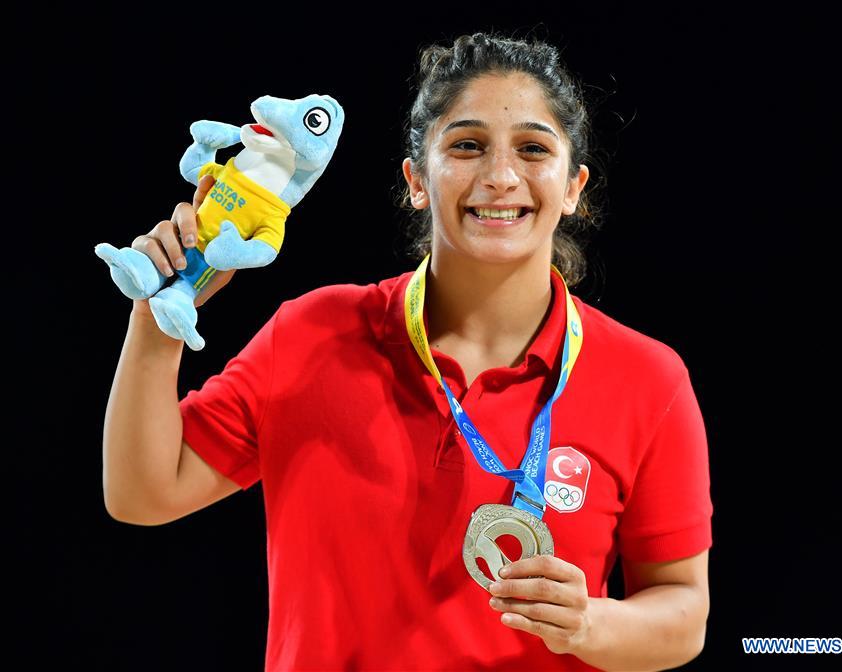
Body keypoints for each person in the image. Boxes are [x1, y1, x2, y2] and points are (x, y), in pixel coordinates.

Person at [102, 31, 713, 672]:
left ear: (573, 188)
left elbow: (683, 612)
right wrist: (160, 314)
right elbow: (141, 494)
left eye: (533, 149)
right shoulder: (312, 334)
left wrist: (590, 623)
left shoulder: (649, 379)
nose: (500, 177)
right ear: (416, 179)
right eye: (466, 145)